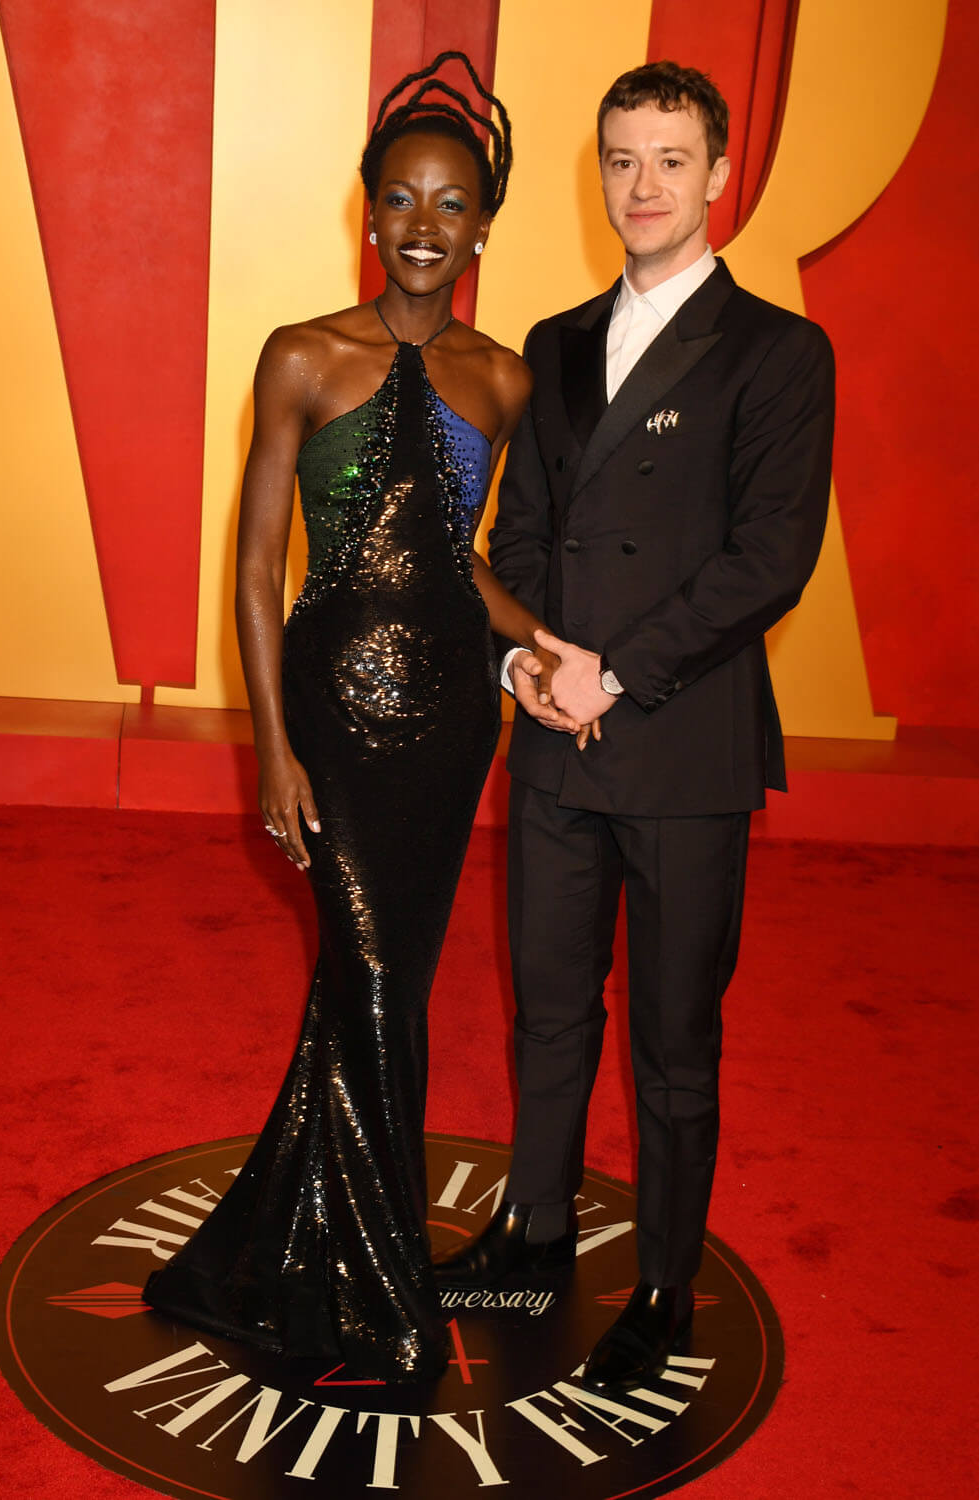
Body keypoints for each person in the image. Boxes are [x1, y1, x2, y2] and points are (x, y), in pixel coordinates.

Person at [143, 52, 589, 1382]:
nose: (423, 225)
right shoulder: (302, 355)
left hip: (451, 730)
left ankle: (280, 1248)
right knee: (379, 984)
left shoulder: (504, 382)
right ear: (368, 209)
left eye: (451, 203)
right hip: (329, 719)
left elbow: (459, 563)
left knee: (365, 993)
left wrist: (542, 643)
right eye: (400, 198)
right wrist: (269, 752)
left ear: (482, 226)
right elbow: (254, 566)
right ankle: (392, 1300)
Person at [434, 60, 835, 1392]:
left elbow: (768, 558)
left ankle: (663, 1286)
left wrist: (617, 674)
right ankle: (532, 1231)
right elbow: (520, 535)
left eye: (670, 159)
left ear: (717, 176)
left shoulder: (778, 352)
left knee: (672, 1042)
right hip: (555, 731)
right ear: (597, 173)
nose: (643, 185)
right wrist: (530, 665)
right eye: (621, 159)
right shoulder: (552, 344)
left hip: (680, 744)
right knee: (548, 1012)